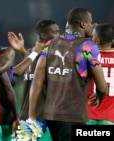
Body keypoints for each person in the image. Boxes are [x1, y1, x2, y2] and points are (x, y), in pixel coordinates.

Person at [28, 7, 107, 141]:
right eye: (90, 22)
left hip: (52, 114)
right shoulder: (88, 47)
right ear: (83, 24)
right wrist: (100, 95)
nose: (92, 26)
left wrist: (32, 116)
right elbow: (102, 87)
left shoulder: (50, 44)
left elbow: (37, 82)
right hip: (73, 114)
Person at [9, 19, 59, 141]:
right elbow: (17, 71)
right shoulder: (38, 54)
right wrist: (25, 52)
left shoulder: (38, 54)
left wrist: (22, 51)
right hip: (31, 118)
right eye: (56, 32)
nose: (59, 35)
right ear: (44, 35)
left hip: (47, 118)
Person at [87, 23, 114, 125]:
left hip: (88, 115)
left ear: (97, 40)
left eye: (92, 36)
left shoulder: (87, 57)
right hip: (111, 117)